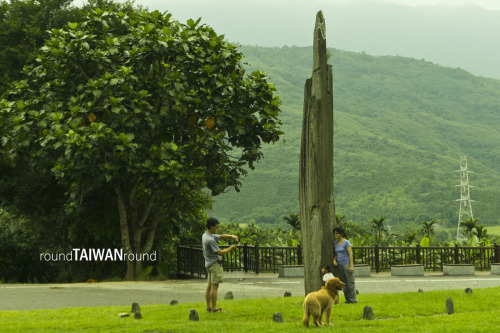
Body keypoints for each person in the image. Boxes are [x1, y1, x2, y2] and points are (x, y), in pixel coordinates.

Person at [202, 217, 239, 312]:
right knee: (215, 286)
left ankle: (208, 307)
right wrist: (231, 248)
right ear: (211, 226)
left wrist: (231, 236)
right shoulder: (210, 240)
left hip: (208, 264)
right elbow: (219, 252)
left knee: (209, 286)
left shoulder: (206, 235)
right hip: (214, 264)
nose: (217, 228)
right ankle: (214, 308)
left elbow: (220, 236)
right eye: (216, 226)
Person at [332, 226, 358, 303]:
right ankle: (347, 299)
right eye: (334, 233)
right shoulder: (335, 243)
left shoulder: (346, 242)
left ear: (341, 234)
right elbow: (336, 253)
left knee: (350, 282)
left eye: (337, 233)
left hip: (346, 264)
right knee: (343, 283)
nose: (335, 235)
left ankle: (353, 300)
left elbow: (350, 254)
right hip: (339, 265)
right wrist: (334, 260)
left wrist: (351, 266)